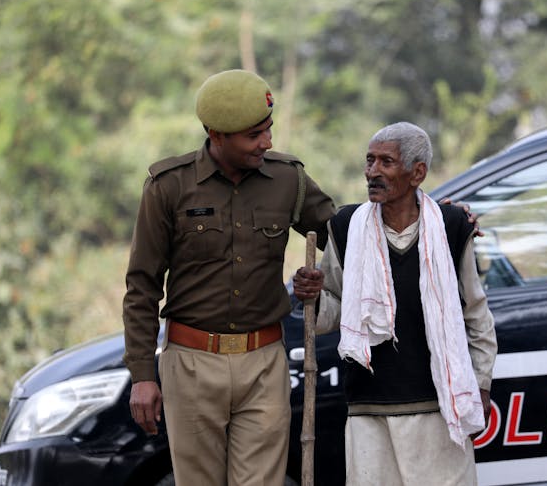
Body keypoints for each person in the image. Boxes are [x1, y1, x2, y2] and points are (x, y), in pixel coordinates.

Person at [121, 69, 336, 486]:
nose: (267, 142)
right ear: (216, 135)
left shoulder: (288, 179)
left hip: (264, 363)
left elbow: (349, 238)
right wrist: (143, 376)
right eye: (254, 135)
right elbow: (142, 286)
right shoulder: (168, 187)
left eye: (268, 130)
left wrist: (436, 219)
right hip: (191, 363)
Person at [293, 122, 497, 486]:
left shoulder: (451, 227)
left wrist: (480, 385)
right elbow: (333, 314)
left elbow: (475, 314)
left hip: (439, 408)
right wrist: (312, 296)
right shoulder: (345, 228)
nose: (372, 172)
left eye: (386, 162)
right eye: (369, 161)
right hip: (370, 410)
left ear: (417, 172)